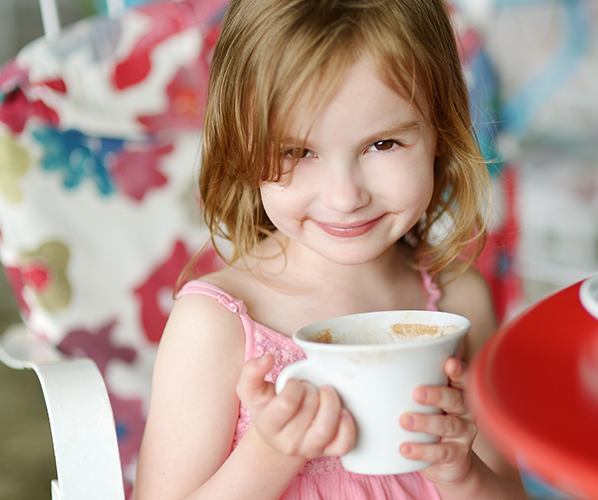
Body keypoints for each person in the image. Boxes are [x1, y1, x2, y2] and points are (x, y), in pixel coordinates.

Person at [133, 0, 526, 498]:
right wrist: (271, 453)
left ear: (440, 133)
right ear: (242, 148)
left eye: (383, 144)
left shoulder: (458, 304)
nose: (345, 196)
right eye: (297, 152)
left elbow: (511, 490)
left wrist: (464, 475)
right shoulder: (217, 324)